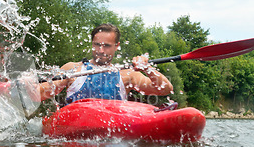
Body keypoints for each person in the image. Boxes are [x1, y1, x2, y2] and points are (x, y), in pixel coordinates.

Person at [37, 23, 173, 104]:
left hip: (112, 142)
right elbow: (39, 95)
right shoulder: (73, 69)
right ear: (92, 43)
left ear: (117, 46)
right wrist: (25, 84)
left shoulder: (127, 75)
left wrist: (147, 69)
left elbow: (165, 89)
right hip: (75, 143)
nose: (100, 51)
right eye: (97, 45)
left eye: (106, 46)